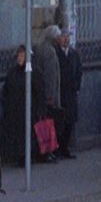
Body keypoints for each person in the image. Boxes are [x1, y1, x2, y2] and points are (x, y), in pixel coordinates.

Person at [0, 46, 47, 164]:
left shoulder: (34, 72)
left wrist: (40, 109)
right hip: (15, 110)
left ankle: (29, 155)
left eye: (22, 56)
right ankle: (18, 156)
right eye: (19, 56)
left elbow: (40, 91)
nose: (20, 58)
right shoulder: (13, 72)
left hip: (29, 109)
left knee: (28, 134)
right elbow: (7, 89)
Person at [33, 25, 68, 157]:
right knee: (50, 124)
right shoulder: (50, 51)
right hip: (49, 95)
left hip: (42, 93)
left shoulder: (41, 48)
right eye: (59, 36)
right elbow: (51, 76)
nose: (61, 38)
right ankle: (49, 150)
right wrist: (50, 96)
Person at [55, 28, 84, 158]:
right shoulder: (55, 54)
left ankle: (65, 148)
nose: (66, 39)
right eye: (63, 36)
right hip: (60, 93)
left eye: (67, 36)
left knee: (70, 122)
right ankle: (59, 148)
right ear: (58, 39)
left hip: (71, 93)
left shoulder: (73, 54)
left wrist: (76, 86)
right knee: (60, 122)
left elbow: (79, 71)